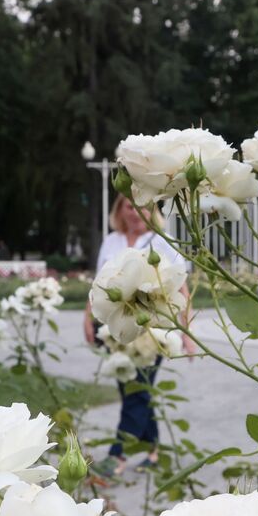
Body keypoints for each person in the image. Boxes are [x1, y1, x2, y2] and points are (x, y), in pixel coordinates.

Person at [83, 196, 195, 479]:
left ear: (152, 209)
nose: (135, 212)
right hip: (116, 327)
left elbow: (182, 288)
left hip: (151, 327)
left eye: (141, 206)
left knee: (138, 391)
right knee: (133, 391)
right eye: (128, 206)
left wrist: (187, 333)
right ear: (119, 210)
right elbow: (99, 283)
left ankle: (116, 454)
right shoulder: (112, 241)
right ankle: (153, 450)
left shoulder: (162, 241)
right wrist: (87, 318)